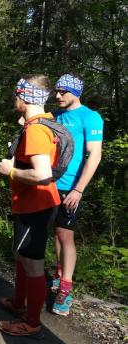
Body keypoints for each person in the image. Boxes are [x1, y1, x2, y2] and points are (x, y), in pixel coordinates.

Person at [0, 75, 61, 337]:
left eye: (17, 95)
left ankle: (31, 322)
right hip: (34, 204)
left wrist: (10, 172)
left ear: (25, 97)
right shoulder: (43, 123)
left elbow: (42, 174)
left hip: (36, 205)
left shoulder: (36, 130)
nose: (14, 99)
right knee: (22, 256)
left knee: (33, 264)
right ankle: (18, 302)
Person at [50, 74, 103, 316]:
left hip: (71, 187)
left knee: (66, 236)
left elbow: (95, 155)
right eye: (56, 91)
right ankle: (58, 272)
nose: (57, 95)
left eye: (63, 92)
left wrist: (79, 189)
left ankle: (66, 289)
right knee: (56, 232)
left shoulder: (90, 117)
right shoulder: (56, 115)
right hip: (49, 183)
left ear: (76, 92)